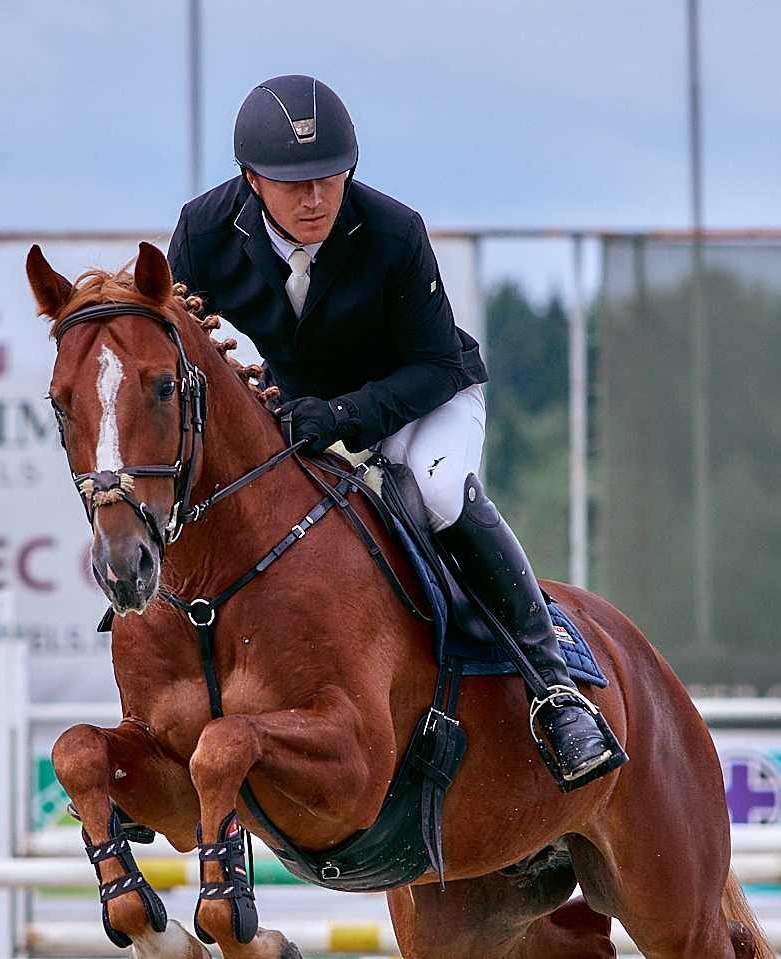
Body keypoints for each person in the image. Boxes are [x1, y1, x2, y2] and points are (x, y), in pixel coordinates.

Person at [167, 74, 626, 791]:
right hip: (302, 408)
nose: (314, 198)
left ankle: (554, 691)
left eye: (329, 177)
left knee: (436, 492)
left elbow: (435, 363)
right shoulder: (202, 232)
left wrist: (343, 416)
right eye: (294, 184)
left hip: (423, 399)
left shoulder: (392, 231)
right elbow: (179, 352)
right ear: (251, 180)